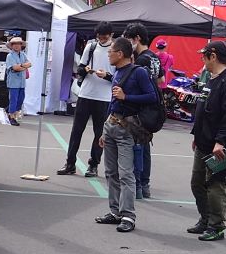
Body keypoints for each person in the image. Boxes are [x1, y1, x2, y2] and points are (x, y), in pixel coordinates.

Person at [92, 38, 157, 233]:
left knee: (126, 173)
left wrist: (126, 97)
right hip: (112, 124)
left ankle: (128, 215)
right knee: (111, 172)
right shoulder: (117, 72)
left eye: (110, 51)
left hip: (127, 128)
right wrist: (104, 130)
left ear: (120, 54)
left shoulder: (139, 72)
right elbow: (113, 102)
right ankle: (115, 212)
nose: (108, 54)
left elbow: (152, 96)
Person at [188, 41, 226, 241]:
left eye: (204, 56)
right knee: (197, 183)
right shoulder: (211, 78)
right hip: (203, 141)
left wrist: (221, 141)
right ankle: (205, 219)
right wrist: (196, 135)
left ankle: (216, 225)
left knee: (215, 186)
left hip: (217, 145)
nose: (202, 60)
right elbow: (203, 109)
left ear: (213, 56)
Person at [58, 22, 115, 177]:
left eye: (104, 37)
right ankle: (70, 163)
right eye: (99, 37)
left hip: (104, 98)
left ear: (111, 35)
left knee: (99, 133)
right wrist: (85, 70)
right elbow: (80, 68)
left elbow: (119, 77)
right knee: (76, 130)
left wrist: (107, 76)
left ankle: (93, 165)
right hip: (85, 94)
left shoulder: (116, 50)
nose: (101, 40)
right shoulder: (91, 47)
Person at [124, 23, 160, 199]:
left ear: (137, 38)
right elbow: (161, 80)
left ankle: (139, 185)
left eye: (129, 39)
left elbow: (137, 85)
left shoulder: (141, 60)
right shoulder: (154, 57)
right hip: (154, 109)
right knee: (145, 146)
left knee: (138, 147)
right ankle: (145, 184)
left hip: (142, 109)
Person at [3, 36, 30, 126]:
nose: (16, 46)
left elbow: (29, 64)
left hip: (22, 82)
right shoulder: (10, 56)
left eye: (18, 44)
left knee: (21, 99)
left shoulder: (23, 54)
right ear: (11, 46)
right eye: (14, 44)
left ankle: (12, 113)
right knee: (13, 99)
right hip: (13, 82)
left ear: (21, 45)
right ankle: (12, 117)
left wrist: (20, 66)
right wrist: (23, 66)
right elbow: (15, 68)